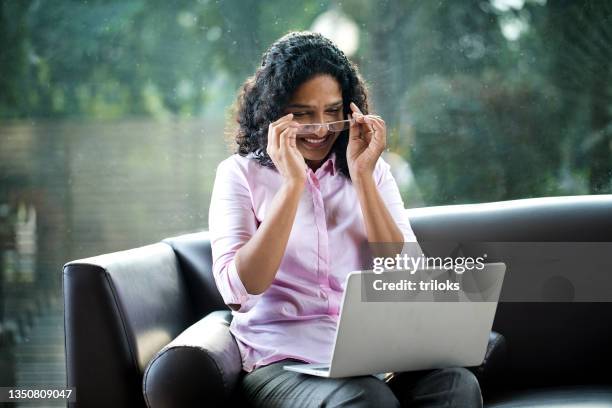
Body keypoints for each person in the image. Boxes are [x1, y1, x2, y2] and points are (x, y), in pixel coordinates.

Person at [209, 31, 482, 407]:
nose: (321, 128)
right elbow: (239, 292)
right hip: (284, 363)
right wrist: (292, 185)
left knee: (456, 385)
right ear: (275, 113)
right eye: (303, 115)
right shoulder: (238, 174)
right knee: (366, 399)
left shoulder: (372, 170)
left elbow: (407, 272)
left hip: (372, 355)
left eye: (333, 111)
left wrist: (364, 176)